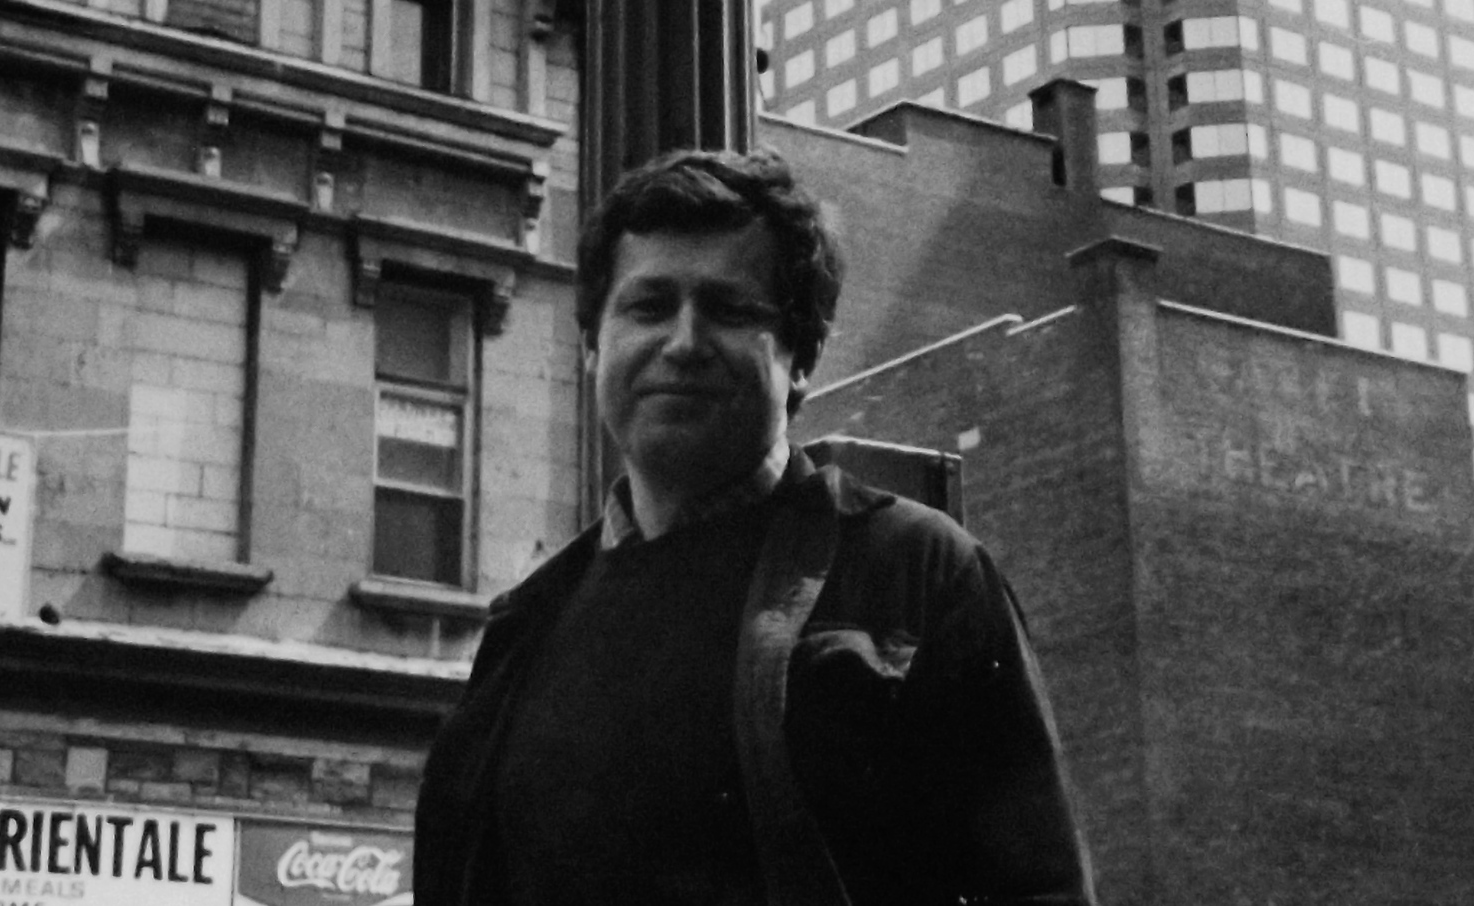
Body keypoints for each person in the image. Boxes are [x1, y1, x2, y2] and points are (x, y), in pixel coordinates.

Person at [413, 147, 1095, 906]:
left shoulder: (919, 571)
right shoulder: (525, 629)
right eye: (649, 306)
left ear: (801, 358)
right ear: (592, 347)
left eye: (729, 310)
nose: (683, 342)